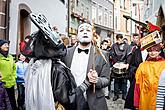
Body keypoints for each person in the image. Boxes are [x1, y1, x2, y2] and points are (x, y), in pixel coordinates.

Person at [63, 22, 110, 110]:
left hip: (93, 102)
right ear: (77, 36)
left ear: (92, 35)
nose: (85, 32)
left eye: (88, 30)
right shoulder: (66, 53)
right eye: (81, 30)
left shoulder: (102, 54)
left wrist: (97, 80)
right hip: (71, 101)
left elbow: (106, 79)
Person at [134, 43, 165, 110]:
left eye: (155, 50)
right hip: (145, 99)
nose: (152, 52)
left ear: (159, 51)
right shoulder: (142, 65)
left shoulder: (164, 65)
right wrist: (136, 103)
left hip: (159, 99)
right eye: (150, 50)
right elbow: (137, 85)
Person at [110, 34, 130, 101]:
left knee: (124, 81)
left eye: (120, 39)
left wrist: (127, 63)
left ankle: (124, 95)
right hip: (116, 64)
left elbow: (129, 55)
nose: (118, 41)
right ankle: (116, 95)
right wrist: (115, 62)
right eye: (117, 39)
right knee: (116, 81)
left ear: (122, 39)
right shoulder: (114, 46)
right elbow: (112, 54)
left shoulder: (127, 46)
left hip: (124, 64)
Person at [0, 39, 17, 110]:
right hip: (2, 84)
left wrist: (14, 77)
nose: (7, 46)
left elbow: (14, 68)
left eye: (7, 44)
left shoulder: (10, 57)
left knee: (12, 100)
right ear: (0, 46)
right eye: (5, 44)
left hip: (11, 83)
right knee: (3, 102)